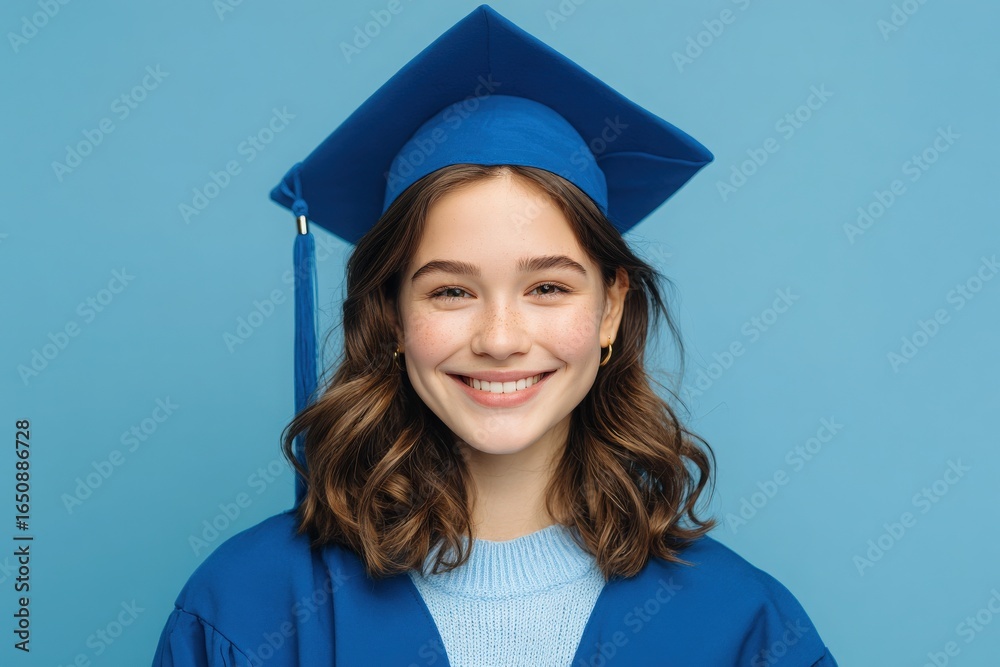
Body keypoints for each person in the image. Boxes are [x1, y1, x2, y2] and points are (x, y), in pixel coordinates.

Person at [152, 5, 838, 666]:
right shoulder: (247, 614)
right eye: (450, 290)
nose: (501, 339)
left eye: (547, 287)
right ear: (390, 313)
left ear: (609, 308)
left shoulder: (744, 629)